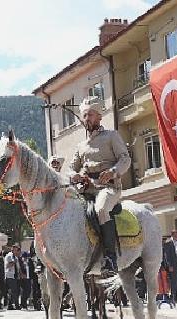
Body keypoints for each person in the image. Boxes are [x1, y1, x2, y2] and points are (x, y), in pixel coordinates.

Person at [70, 96, 131, 272]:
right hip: (87, 188)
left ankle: (110, 257)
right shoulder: (81, 146)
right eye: (84, 115)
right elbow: (70, 169)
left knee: (101, 209)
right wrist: (76, 176)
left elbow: (125, 159)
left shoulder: (111, 136)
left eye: (90, 115)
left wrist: (113, 171)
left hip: (109, 188)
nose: (86, 118)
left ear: (99, 117)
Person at [4, 244, 20, 310]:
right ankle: (17, 305)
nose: (16, 251)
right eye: (15, 250)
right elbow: (7, 265)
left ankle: (10, 305)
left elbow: (18, 267)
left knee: (13, 291)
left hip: (15, 276)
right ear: (12, 249)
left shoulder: (15, 257)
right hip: (10, 276)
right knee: (14, 291)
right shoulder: (9, 256)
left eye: (17, 250)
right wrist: (14, 262)